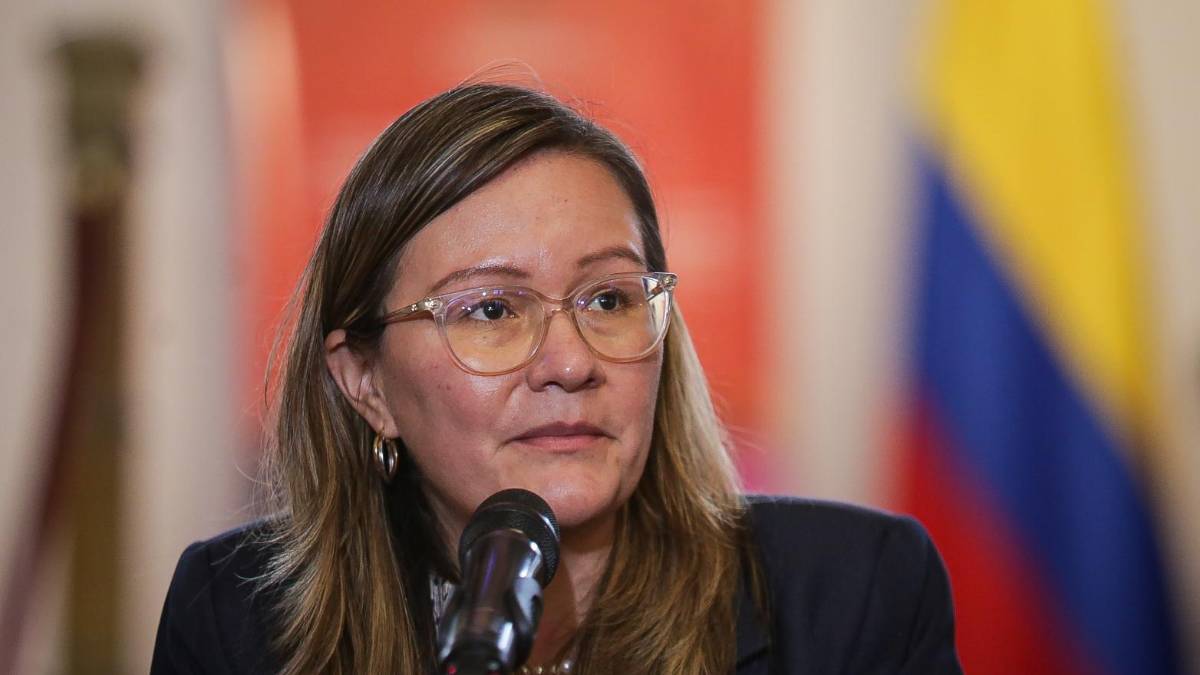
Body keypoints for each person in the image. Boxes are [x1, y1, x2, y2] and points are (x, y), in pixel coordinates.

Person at [151, 82, 963, 674]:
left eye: (608, 298)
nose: (571, 363)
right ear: (365, 381)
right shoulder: (236, 620)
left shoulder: (856, 594)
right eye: (491, 310)